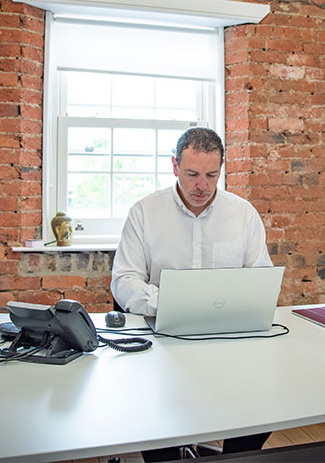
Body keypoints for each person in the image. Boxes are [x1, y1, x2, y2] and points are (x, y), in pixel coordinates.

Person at [111, 127, 272, 461]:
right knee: (149, 407)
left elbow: (260, 277)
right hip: (162, 340)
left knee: (269, 395)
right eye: (192, 174)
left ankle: (235, 457)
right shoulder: (145, 212)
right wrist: (168, 304)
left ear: (222, 169)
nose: (202, 185)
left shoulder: (243, 215)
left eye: (212, 175)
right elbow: (124, 279)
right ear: (174, 167)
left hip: (228, 339)